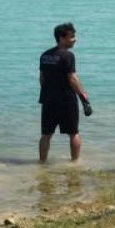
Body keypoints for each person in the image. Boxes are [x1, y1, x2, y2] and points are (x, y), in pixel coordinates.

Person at [39, 22, 91, 162]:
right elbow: (72, 79)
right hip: (66, 101)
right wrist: (83, 95)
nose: (75, 39)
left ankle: (42, 162)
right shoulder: (68, 56)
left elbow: (42, 78)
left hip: (48, 100)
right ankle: (75, 163)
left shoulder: (45, 55)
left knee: (46, 134)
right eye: (72, 37)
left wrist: (48, 93)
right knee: (74, 133)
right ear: (62, 38)